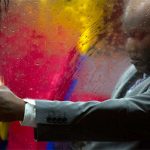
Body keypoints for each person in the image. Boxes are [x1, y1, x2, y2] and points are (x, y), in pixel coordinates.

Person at [0, 0, 150, 149]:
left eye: (140, 35)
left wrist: (25, 110)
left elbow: (120, 117)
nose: (130, 45)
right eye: (128, 35)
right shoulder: (134, 70)